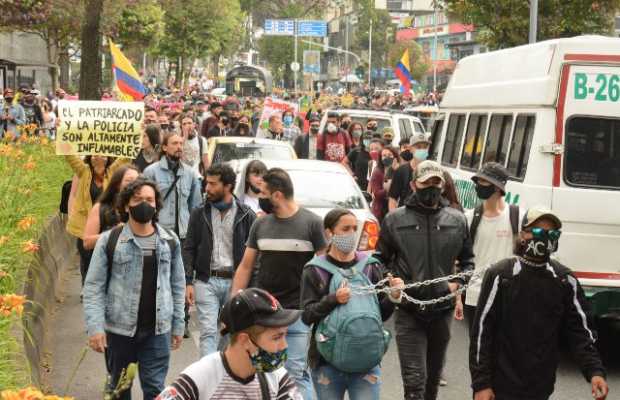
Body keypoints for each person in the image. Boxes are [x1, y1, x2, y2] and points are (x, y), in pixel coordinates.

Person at [470, 207, 608, 400]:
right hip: (499, 386)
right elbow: (482, 332)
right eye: (537, 231)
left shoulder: (564, 280)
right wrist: (481, 384)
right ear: (523, 234)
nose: (543, 237)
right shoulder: (501, 276)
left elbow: (580, 331)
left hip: (540, 387)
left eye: (551, 233)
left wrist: (595, 371)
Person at [375, 160, 475, 400]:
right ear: (413, 184)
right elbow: (379, 260)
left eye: (436, 183)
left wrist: (457, 285)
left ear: (442, 186)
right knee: (414, 384)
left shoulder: (457, 220)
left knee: (432, 383)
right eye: (425, 182)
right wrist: (392, 282)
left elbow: (468, 262)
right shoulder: (394, 219)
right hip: (409, 312)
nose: (431, 187)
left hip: (442, 311)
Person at [83, 178, 185, 400]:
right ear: (127, 204)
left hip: (158, 332)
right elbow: (94, 287)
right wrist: (95, 327)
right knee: (120, 390)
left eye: (149, 199)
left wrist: (178, 323)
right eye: (137, 199)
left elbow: (177, 286)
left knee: (155, 389)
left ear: (156, 205)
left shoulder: (170, 241)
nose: (144, 204)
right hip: (119, 332)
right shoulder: (110, 240)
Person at [230, 168, 328, 400]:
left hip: (297, 313)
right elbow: (245, 266)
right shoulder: (260, 225)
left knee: (294, 374)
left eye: (262, 192)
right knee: (264, 373)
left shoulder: (312, 223)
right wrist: (235, 300)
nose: (259, 197)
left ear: (277, 195)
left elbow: (324, 269)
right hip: (264, 314)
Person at [300, 209, 402, 400]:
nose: (351, 234)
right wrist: (333, 299)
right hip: (327, 363)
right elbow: (307, 315)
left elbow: (380, 314)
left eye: (354, 229)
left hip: (366, 359)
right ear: (329, 232)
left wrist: (393, 297)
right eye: (345, 229)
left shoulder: (370, 266)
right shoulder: (315, 269)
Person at [156, 288, 303, 400]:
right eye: (277, 337)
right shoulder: (200, 376)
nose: (285, 345)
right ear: (244, 340)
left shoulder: (276, 377)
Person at [184, 164, 256, 357]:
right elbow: (189, 247)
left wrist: (250, 286)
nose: (207, 188)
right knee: (208, 331)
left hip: (235, 281)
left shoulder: (247, 215)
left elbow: (254, 256)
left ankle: (222, 371)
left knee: (229, 331)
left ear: (228, 186)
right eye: (207, 183)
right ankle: (207, 375)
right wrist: (188, 281)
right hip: (206, 280)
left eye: (213, 184)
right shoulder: (199, 213)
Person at [459, 162, 522, 329]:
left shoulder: (518, 216)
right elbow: (458, 258)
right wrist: (457, 297)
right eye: (477, 181)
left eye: (483, 182)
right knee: (478, 349)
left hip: (508, 296)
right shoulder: (469, 218)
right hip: (475, 296)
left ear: (496, 187)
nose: (478, 186)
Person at [65, 155, 129, 284]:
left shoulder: (112, 172)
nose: (98, 158)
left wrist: (136, 137)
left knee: (106, 258)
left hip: (107, 225)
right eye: (95, 155)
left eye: (102, 155)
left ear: (108, 158)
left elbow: (126, 156)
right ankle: (87, 287)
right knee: (87, 258)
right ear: (90, 158)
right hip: (85, 225)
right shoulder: (83, 171)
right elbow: (70, 156)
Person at [82, 164, 140, 250]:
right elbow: (87, 243)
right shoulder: (101, 208)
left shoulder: (141, 207)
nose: (134, 185)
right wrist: (114, 233)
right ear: (117, 184)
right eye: (129, 180)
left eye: (137, 181)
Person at [388, 133, 431, 211]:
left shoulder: (433, 170)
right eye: (418, 147)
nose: (422, 150)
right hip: (405, 218)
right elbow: (393, 199)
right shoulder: (401, 171)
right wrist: (394, 219)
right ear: (411, 149)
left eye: (425, 147)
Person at [369, 147, 399, 222]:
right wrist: (387, 189)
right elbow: (376, 193)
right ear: (380, 158)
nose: (387, 157)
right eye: (384, 155)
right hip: (381, 211)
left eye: (390, 155)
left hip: (397, 209)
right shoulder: (377, 172)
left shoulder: (400, 170)